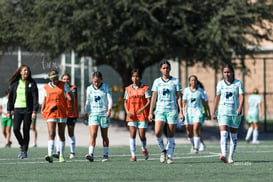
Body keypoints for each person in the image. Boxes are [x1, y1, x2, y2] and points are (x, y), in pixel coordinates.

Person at [148, 61, 183, 164]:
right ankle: (163, 150)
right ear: (161, 69)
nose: (166, 70)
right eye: (163, 68)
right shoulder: (157, 82)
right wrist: (150, 112)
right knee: (157, 132)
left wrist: (181, 111)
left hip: (172, 110)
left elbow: (179, 97)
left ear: (170, 69)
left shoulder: (175, 81)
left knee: (170, 133)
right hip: (160, 110)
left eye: (167, 68)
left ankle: (170, 156)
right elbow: (154, 97)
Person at [212, 64, 244, 164]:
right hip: (223, 112)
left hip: (234, 112)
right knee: (224, 133)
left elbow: (242, 96)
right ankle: (223, 154)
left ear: (232, 72)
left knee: (233, 136)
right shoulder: (220, 84)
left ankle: (230, 157)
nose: (227, 74)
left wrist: (240, 108)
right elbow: (217, 97)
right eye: (225, 72)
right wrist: (214, 110)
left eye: (228, 72)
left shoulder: (238, 83)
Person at [42, 69, 74, 163]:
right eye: (52, 77)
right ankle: (50, 155)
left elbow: (71, 96)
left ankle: (61, 155)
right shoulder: (46, 87)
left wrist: (71, 108)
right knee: (51, 133)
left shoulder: (64, 85)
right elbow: (45, 99)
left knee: (61, 134)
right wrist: (42, 109)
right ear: (50, 78)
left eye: (56, 76)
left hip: (62, 112)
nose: (54, 79)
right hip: (50, 112)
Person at [7, 65, 39, 159]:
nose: (26, 72)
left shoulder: (32, 83)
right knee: (15, 129)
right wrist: (9, 110)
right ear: (20, 72)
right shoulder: (15, 83)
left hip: (28, 110)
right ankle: (22, 145)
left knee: (26, 130)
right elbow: (10, 98)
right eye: (24, 70)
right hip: (17, 109)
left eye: (27, 70)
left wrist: (34, 111)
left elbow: (35, 99)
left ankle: (24, 151)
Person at [84, 71, 113, 162]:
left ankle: (105, 155)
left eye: (98, 81)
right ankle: (91, 154)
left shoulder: (105, 87)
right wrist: (86, 111)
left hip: (103, 114)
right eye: (95, 81)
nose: (96, 83)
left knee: (104, 135)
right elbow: (87, 101)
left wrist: (109, 110)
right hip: (93, 114)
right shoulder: (89, 89)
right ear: (92, 80)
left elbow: (109, 99)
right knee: (93, 134)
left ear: (101, 80)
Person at [124, 69, 151, 161]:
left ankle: (144, 148)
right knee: (132, 134)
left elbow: (149, 101)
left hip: (142, 115)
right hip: (131, 115)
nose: (135, 78)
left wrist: (142, 109)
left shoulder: (145, 88)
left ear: (140, 78)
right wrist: (127, 112)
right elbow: (125, 102)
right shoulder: (128, 89)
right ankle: (133, 155)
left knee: (142, 135)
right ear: (131, 78)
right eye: (133, 76)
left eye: (137, 76)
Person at [183, 75, 208, 154]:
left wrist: (207, 112)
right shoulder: (186, 90)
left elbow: (204, 103)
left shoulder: (200, 91)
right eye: (192, 80)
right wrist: (181, 112)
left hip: (197, 112)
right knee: (189, 131)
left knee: (196, 129)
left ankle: (196, 148)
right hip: (188, 112)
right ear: (189, 82)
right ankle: (194, 145)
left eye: (195, 80)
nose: (193, 82)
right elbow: (183, 102)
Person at [61, 73, 79, 158]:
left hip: (72, 114)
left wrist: (63, 92)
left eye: (67, 79)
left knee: (70, 133)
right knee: (60, 133)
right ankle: (59, 152)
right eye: (64, 79)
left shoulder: (73, 88)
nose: (66, 81)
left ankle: (72, 152)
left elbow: (70, 97)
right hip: (62, 113)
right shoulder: (60, 88)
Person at [197, 80, 211, 151]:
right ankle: (198, 143)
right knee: (195, 129)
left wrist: (208, 113)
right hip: (192, 113)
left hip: (201, 112)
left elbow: (206, 103)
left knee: (197, 128)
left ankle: (201, 144)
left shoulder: (203, 92)